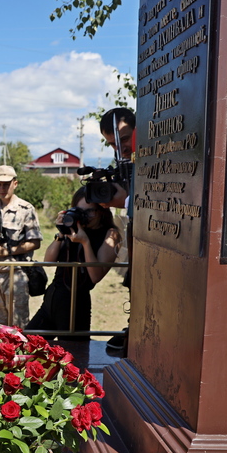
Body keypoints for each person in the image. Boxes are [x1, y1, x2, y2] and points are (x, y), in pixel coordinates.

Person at [27, 186, 121, 339]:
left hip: (76, 305)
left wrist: (85, 242)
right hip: (53, 299)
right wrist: (61, 233)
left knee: (73, 356)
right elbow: (48, 262)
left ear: (101, 211)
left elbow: (95, 276)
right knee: (27, 345)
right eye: (79, 211)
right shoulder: (71, 230)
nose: (85, 216)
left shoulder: (111, 234)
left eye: (89, 211)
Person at [0, 165, 42, 328]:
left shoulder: (25, 209)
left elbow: (35, 242)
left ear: (15, 183)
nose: (2, 188)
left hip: (15, 274)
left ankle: (20, 354)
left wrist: (7, 250)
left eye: (6, 184)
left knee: (17, 324)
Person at [99, 107, 135, 351]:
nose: (120, 147)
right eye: (112, 144)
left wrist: (125, 201)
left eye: (124, 139)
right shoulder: (123, 162)